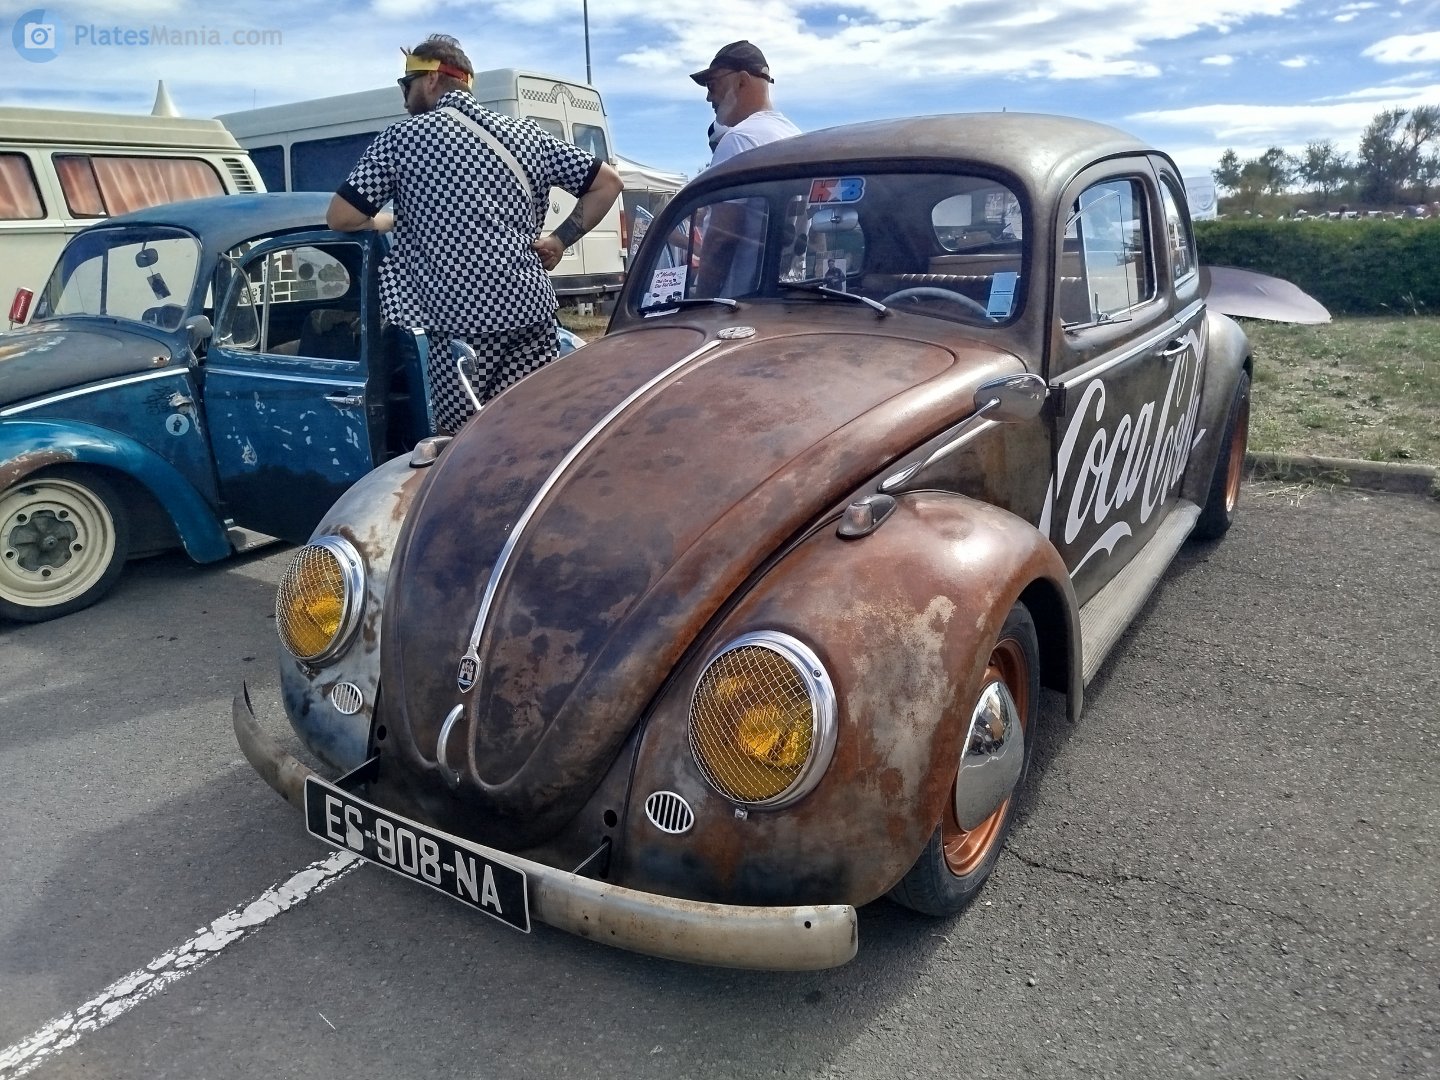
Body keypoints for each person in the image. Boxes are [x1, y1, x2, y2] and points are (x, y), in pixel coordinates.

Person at [327, 33, 623, 432]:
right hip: (529, 310)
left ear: (432, 79)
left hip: (458, 325)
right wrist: (559, 240)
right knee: (531, 431)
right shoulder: (527, 135)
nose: (404, 96)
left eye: (406, 83)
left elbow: (341, 217)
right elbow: (608, 184)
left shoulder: (401, 139)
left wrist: (390, 219)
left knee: (464, 445)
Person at [690, 41, 800, 168]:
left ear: (741, 82)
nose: (708, 97)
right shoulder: (793, 134)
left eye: (711, 85)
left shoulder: (738, 140)